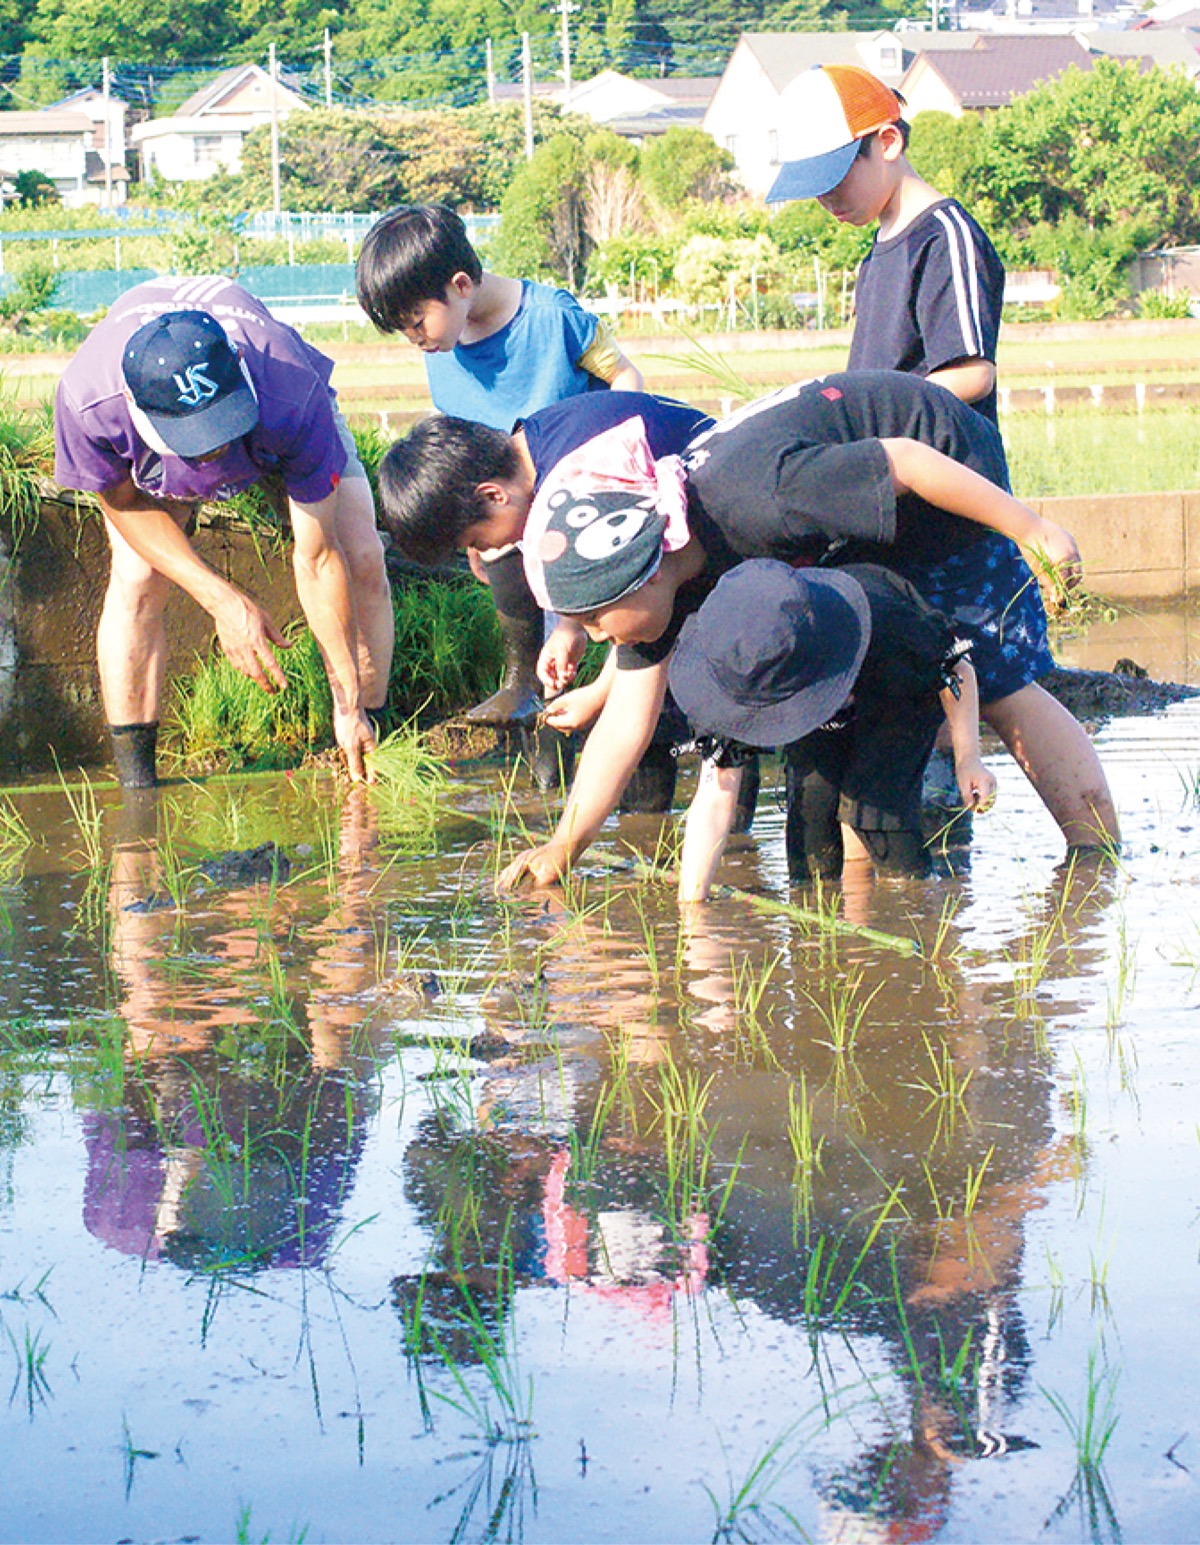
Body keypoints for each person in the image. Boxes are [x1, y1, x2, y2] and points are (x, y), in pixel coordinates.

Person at [385, 370, 1116, 888]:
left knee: (988, 672)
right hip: (845, 498)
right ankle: (868, 872)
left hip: (934, 457)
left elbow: (904, 461)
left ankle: (1096, 862)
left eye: (600, 620)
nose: (607, 636)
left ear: (647, 570)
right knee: (856, 666)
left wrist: (1033, 527)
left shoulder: (758, 501)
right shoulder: (654, 568)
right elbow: (627, 725)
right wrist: (564, 846)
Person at [54, 275, 394, 788]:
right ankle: (137, 785)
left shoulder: (289, 389)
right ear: (136, 409)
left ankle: (367, 731)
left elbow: (318, 558)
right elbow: (122, 503)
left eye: (221, 428)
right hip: (156, 454)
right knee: (136, 576)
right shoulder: (89, 403)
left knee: (360, 553)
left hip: (274, 424)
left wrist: (344, 701)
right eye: (198, 442)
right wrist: (224, 601)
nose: (214, 451)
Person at [355, 203, 643, 735]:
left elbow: (625, 376)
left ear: (461, 284)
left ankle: (610, 721)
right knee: (511, 577)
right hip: (505, 507)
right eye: (403, 330)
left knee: (592, 627)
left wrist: (611, 465)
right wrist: (467, 527)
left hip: (581, 498)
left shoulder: (553, 318)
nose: (416, 339)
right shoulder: (442, 346)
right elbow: (461, 451)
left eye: (417, 322)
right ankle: (522, 686)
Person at [668, 559, 996, 902]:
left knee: (878, 813)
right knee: (811, 810)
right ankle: (818, 922)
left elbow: (956, 669)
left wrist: (969, 758)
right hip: (810, 703)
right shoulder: (736, 669)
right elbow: (715, 796)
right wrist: (692, 907)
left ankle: (913, 901)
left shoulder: (888, 624)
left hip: (892, 696)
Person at [767, 64, 1005, 423]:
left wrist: (867, 410)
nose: (827, 200)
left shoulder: (945, 237)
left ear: (888, 143)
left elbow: (972, 374)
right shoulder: (877, 251)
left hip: (948, 471)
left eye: (835, 180)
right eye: (816, 190)